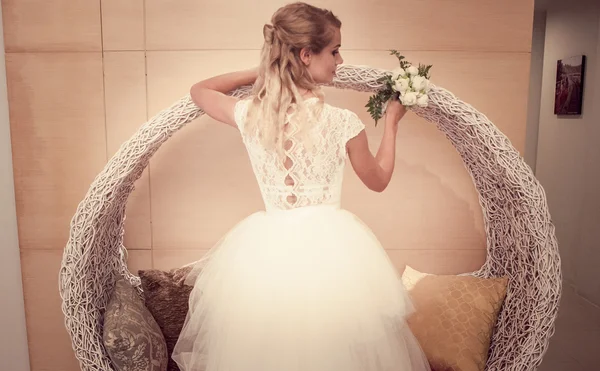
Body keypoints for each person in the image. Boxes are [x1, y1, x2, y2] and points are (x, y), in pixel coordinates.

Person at [171, 2, 431, 371]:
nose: (340, 60)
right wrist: (391, 124)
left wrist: (268, 69)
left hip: (265, 255)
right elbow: (379, 180)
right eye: (335, 50)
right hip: (333, 258)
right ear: (306, 54)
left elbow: (201, 90)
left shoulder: (251, 115)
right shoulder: (342, 122)